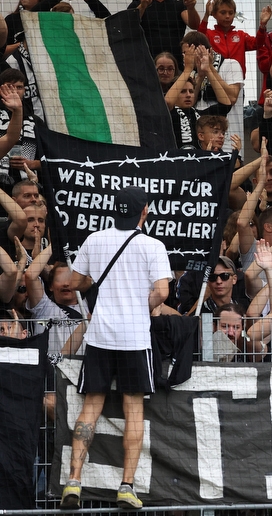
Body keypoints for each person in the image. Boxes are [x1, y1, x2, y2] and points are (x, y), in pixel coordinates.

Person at [60, 186, 172, 510]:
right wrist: (142, 304)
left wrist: (93, 283)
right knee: (133, 410)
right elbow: (163, 291)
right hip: (134, 338)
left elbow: (75, 282)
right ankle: (126, 486)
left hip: (99, 336)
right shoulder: (153, 245)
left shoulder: (95, 239)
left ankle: (74, 481)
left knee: (91, 407)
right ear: (145, 211)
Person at [129, 0, 200, 68]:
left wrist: (191, 8)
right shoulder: (137, 5)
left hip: (175, 69)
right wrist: (143, 6)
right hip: (146, 69)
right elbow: (129, 27)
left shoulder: (179, 5)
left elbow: (194, 25)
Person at [199, 0, 269, 77]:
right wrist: (206, 15)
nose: (227, 16)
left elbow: (258, 43)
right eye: (223, 12)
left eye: (231, 13)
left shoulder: (241, 35)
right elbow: (199, 39)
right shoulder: (209, 34)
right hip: (215, 80)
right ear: (214, 14)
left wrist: (263, 25)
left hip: (237, 81)